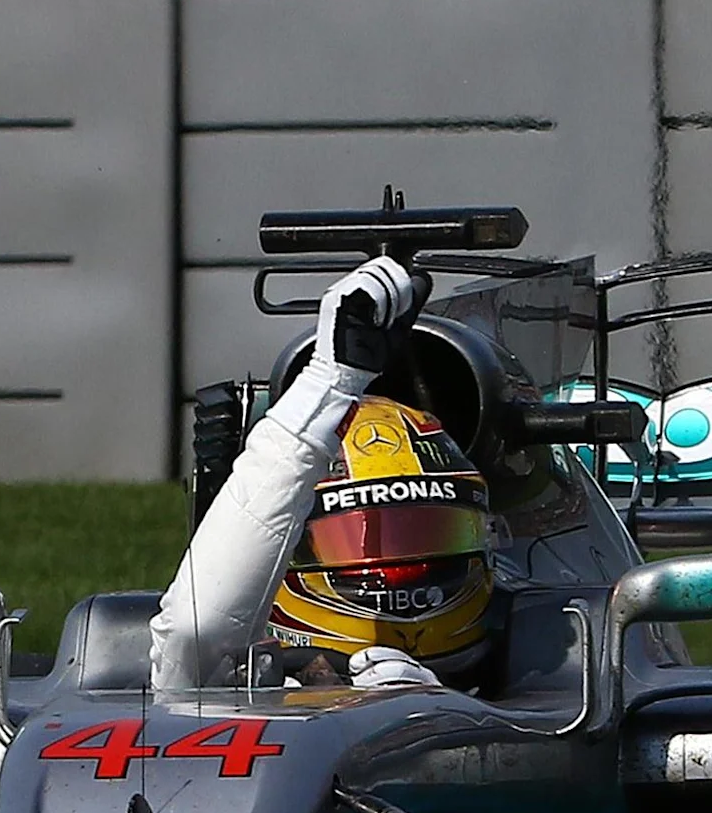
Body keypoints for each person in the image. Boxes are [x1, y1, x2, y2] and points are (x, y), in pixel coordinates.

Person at [154, 255, 488, 694]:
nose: (394, 573)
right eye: (348, 538)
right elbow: (198, 629)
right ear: (278, 554)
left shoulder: (559, 685)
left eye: (428, 533)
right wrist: (330, 382)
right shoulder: (225, 692)